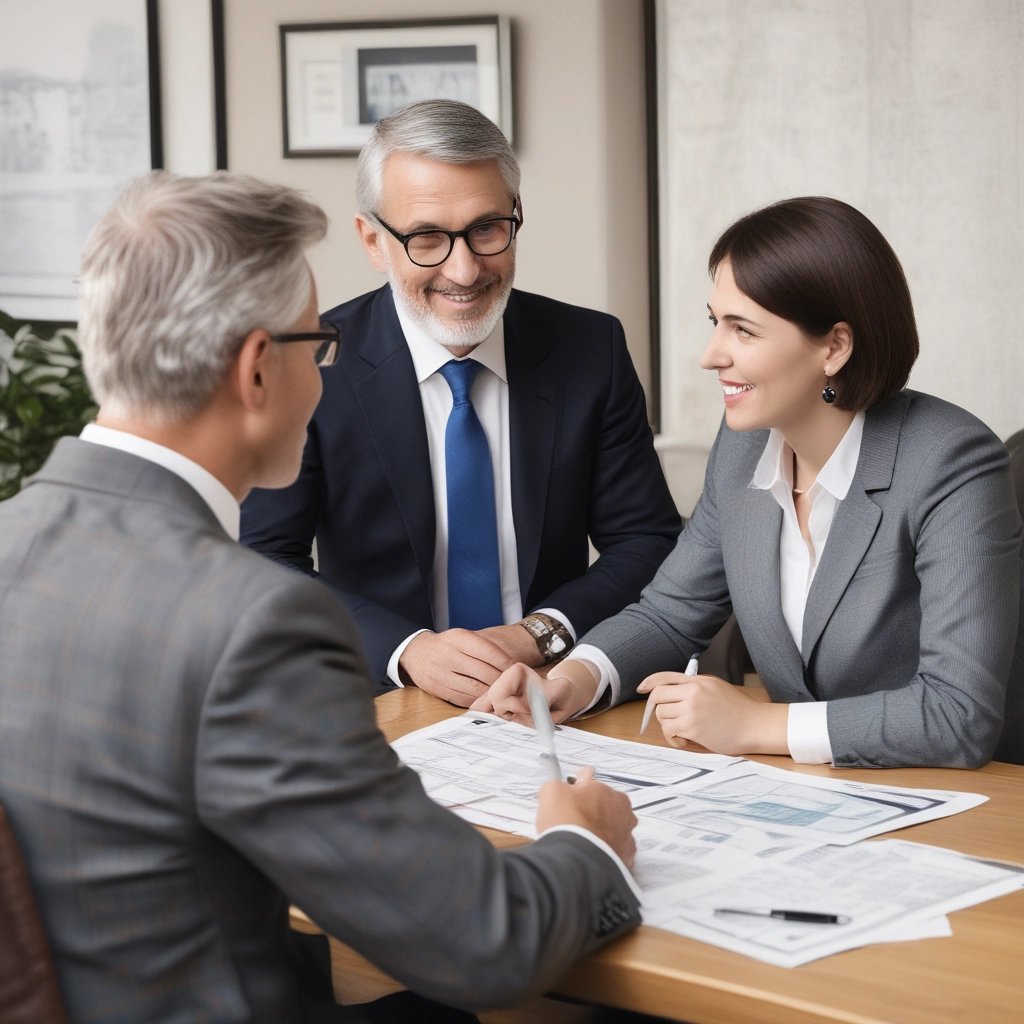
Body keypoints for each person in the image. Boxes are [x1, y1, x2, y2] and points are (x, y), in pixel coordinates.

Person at [0, 170, 643, 1024]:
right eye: (319, 345)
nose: (327, 370)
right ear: (257, 371)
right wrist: (587, 843)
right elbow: (488, 944)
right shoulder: (253, 622)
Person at [475, 196, 1024, 769]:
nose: (711, 355)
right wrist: (571, 680)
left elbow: (959, 715)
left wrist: (757, 723)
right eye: (716, 322)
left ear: (835, 347)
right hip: (806, 790)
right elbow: (670, 613)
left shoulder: (952, 461)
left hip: (961, 796)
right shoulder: (746, 444)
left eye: (743, 330)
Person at [240, 99, 681, 704]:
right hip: (377, 697)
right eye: (426, 238)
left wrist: (539, 634)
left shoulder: (590, 347)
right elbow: (262, 558)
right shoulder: (313, 361)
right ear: (373, 240)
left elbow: (647, 540)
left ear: (516, 215)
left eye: (487, 229)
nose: (465, 270)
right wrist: (407, 650)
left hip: (548, 689)